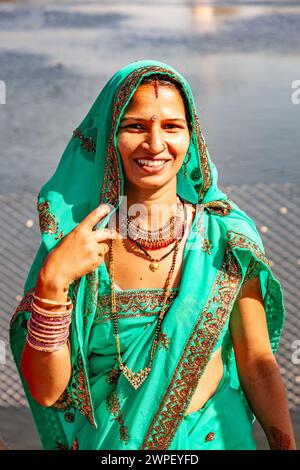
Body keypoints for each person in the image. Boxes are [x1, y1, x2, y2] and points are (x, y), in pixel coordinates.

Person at [9, 60, 296, 450]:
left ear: (192, 138)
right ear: (110, 136)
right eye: (135, 126)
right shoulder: (77, 250)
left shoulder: (227, 237)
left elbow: (257, 365)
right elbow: (46, 391)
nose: (155, 144)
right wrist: (52, 284)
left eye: (172, 127)